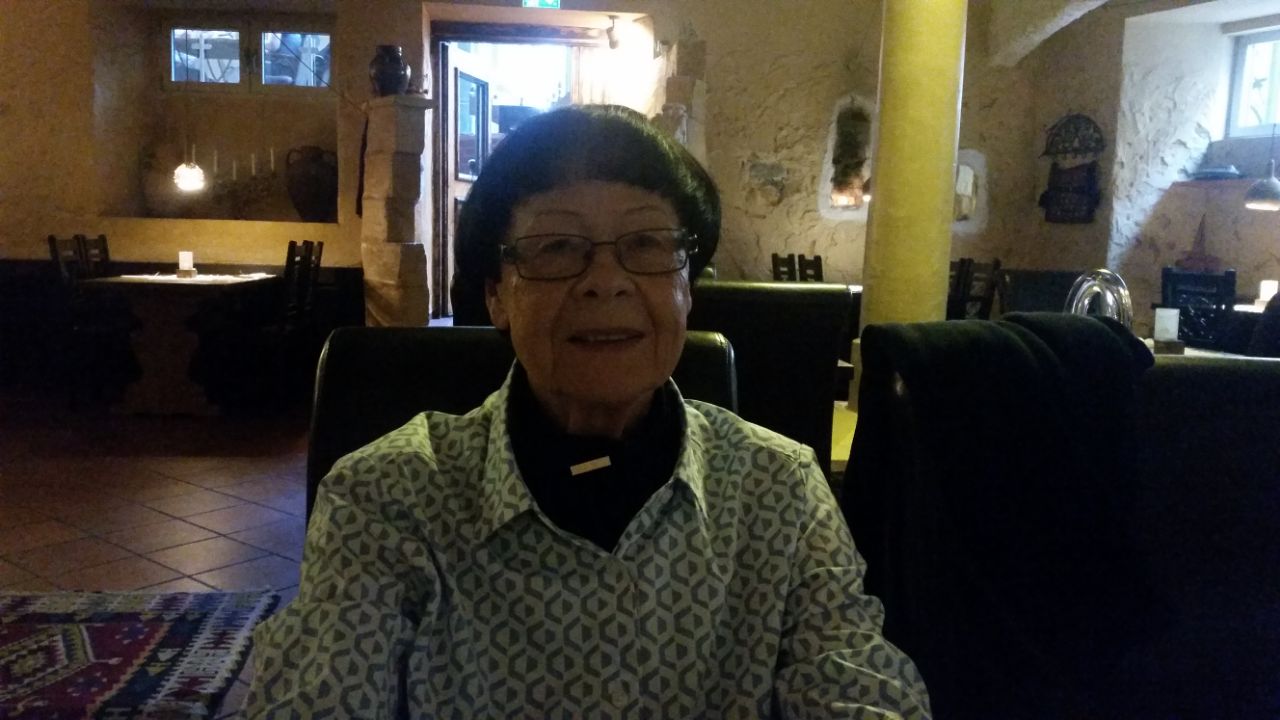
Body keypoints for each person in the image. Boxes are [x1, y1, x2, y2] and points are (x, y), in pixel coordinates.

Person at [245, 105, 931, 718]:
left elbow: (856, 683)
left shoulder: (781, 489)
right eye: (556, 249)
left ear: (687, 288)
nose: (606, 282)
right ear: (496, 296)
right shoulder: (388, 496)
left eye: (647, 245)